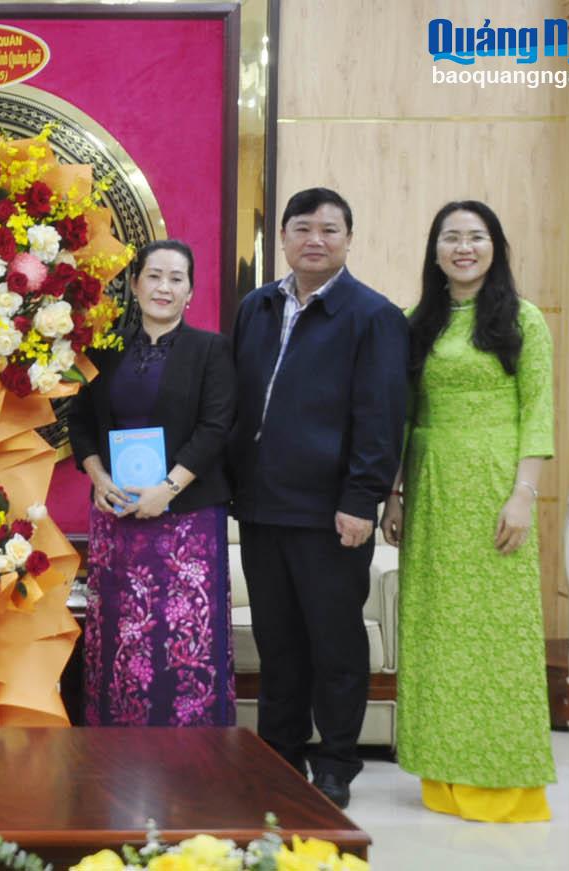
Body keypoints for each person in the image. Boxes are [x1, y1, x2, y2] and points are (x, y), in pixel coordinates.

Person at [228, 187, 408, 809]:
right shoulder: (254, 307)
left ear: (348, 240)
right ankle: (279, 757)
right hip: (260, 506)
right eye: (302, 228)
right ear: (282, 237)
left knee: (333, 643)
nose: (315, 239)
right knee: (278, 644)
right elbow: (236, 405)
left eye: (330, 230)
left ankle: (335, 762)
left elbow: (381, 417)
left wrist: (362, 501)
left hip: (332, 513)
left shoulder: (373, 315)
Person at [382, 201, 555, 822]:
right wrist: (395, 492)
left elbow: (537, 410)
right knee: (435, 629)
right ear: (434, 251)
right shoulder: (414, 322)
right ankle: (445, 776)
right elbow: (401, 414)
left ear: (495, 247)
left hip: (494, 487)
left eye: (475, 237)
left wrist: (523, 494)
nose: (463, 248)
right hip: (431, 487)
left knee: (496, 633)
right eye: (450, 238)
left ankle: (504, 783)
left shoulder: (523, 319)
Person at [67, 239, 237, 727]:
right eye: (154, 275)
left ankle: (192, 757)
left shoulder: (211, 350)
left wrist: (168, 488)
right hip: (117, 516)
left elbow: (216, 427)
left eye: (176, 278)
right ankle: (116, 752)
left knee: (184, 636)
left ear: (191, 292)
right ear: (135, 283)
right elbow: (80, 424)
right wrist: (98, 477)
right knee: (120, 638)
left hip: (188, 519)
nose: (164, 287)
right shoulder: (105, 349)